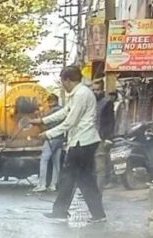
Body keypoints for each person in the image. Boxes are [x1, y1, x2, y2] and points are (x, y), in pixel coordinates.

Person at [31, 65, 106, 224]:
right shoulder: (78, 93)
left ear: (68, 80)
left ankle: (62, 212)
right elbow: (65, 112)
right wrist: (42, 121)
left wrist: (48, 134)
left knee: (71, 177)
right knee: (81, 179)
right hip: (82, 141)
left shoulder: (81, 95)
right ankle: (95, 214)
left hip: (82, 142)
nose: (62, 85)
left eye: (62, 82)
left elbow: (70, 121)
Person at [34, 93, 65, 193]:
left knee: (44, 159)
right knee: (56, 163)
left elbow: (44, 123)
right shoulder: (62, 110)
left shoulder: (52, 112)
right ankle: (53, 185)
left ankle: (42, 184)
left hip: (51, 138)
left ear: (51, 101)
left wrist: (38, 115)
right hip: (60, 138)